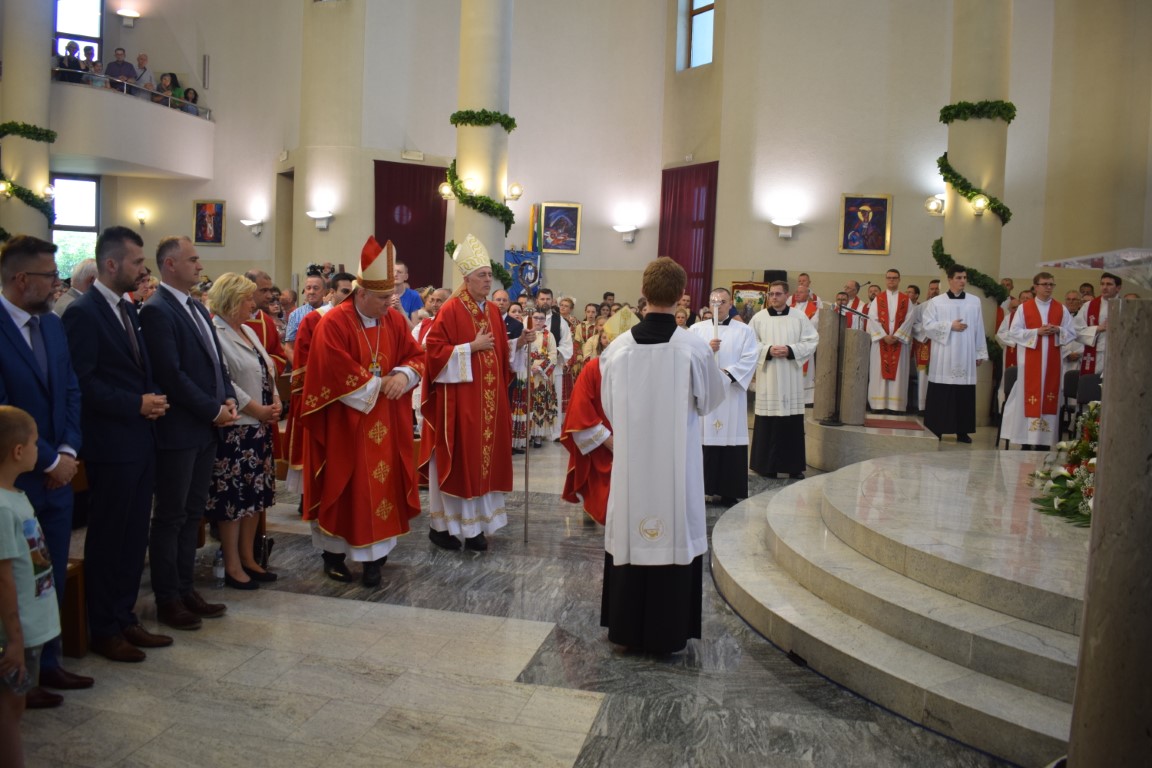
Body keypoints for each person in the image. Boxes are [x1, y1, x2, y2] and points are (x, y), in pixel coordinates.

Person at [598, 257, 726, 654]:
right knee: (674, 527)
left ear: (644, 292)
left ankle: (627, 628)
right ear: (682, 295)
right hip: (677, 467)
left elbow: (608, 407)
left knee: (630, 526)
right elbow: (711, 401)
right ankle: (668, 632)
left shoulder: (617, 349)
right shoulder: (693, 348)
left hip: (632, 466)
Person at [61, 226, 172, 663]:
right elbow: (82, 382)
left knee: (133, 535)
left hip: (140, 438)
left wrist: (153, 397)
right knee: (109, 536)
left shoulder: (127, 308)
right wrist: (135, 403)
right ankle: (103, 628)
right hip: (110, 443)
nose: (143, 270)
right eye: (137, 262)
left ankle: (125, 617)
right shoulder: (83, 313)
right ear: (111, 264)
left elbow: (138, 368)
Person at [301, 238, 425, 586]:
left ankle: (375, 560)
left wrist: (403, 375)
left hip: (387, 422)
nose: (390, 303)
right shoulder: (335, 323)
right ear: (362, 293)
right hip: (346, 424)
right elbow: (332, 368)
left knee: (383, 487)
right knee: (346, 486)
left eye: (391, 296)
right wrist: (378, 385)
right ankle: (333, 556)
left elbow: (416, 355)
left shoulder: (393, 320)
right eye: (384, 298)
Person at [0, 236, 90, 708]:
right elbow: (3, 410)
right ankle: (20, 673)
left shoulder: (52, 325)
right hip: (15, 478)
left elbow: (71, 388)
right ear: (21, 279)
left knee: (48, 571)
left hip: (58, 474)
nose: (57, 283)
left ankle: (49, 661)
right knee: (16, 577)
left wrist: (68, 450)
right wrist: (51, 459)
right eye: (49, 276)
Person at [139, 236, 237, 631]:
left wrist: (228, 397)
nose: (200, 266)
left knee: (193, 512)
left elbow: (215, 362)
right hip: (179, 430)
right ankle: (168, 597)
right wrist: (213, 409)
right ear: (169, 265)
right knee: (171, 515)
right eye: (192, 259)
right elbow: (171, 375)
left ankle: (186, 588)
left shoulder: (195, 306)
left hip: (204, 429)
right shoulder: (157, 310)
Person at [420, 235, 535, 552]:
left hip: (490, 403)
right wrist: (470, 347)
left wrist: (519, 343)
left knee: (485, 463)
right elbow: (433, 353)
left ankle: (477, 527)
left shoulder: (494, 312)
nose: (487, 280)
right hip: (461, 403)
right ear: (466, 278)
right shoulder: (451, 310)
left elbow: (499, 353)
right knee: (463, 462)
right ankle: (443, 527)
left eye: (489, 275)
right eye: (482, 275)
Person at [206, 274, 281, 589]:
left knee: (254, 497)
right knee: (233, 500)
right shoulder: (215, 332)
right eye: (248, 298)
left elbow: (266, 369)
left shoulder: (248, 330)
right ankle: (233, 565)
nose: (254, 304)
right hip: (236, 428)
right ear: (231, 300)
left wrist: (275, 400)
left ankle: (249, 558)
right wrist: (256, 408)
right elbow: (225, 381)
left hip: (259, 428)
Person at [0, 406, 63, 763]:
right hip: (16, 635)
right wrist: (13, 641)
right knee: (8, 711)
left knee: (16, 705)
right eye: (37, 443)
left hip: (29, 628)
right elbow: (3, 579)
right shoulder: (2, 508)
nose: (40, 449)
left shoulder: (15, 496)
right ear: (18, 451)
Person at [560, 307, 639, 524]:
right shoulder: (593, 368)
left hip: (635, 441)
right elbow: (580, 409)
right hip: (602, 442)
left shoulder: (643, 368)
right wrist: (606, 439)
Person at [284, 272, 355, 494]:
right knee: (315, 447)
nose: (350, 297)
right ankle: (309, 496)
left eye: (353, 293)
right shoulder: (314, 319)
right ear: (331, 292)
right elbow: (302, 359)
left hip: (350, 395)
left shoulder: (356, 319)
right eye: (345, 292)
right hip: (320, 396)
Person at [690, 288, 759, 503]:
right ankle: (703, 490)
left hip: (731, 394)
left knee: (731, 437)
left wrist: (725, 375)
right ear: (708, 304)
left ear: (730, 304)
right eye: (714, 301)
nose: (717, 306)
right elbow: (687, 357)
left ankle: (729, 491)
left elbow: (750, 358)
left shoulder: (744, 331)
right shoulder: (696, 330)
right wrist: (706, 350)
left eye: (722, 301)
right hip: (706, 394)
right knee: (703, 438)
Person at [749, 281, 819, 479]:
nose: (774, 297)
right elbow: (748, 342)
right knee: (768, 420)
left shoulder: (799, 317)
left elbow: (812, 340)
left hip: (790, 377)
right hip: (768, 376)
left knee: (791, 421)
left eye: (778, 294)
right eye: (771, 294)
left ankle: (793, 466)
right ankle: (766, 466)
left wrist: (790, 350)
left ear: (787, 296)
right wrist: (767, 350)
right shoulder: (759, 318)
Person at [1001, 272, 1077, 451]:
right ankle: (1026, 441)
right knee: (1029, 397)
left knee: (1049, 397)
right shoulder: (1024, 308)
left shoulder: (1061, 309)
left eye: (1051, 284)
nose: (1048, 287)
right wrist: (1037, 332)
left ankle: (1045, 441)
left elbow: (1071, 332)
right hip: (1029, 364)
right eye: (1045, 284)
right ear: (1035, 287)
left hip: (1052, 363)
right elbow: (1014, 332)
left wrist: (1058, 330)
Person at [920, 265, 988, 443]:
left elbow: (979, 327)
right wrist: (950, 325)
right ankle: (937, 429)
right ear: (949, 279)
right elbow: (927, 326)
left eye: (964, 278)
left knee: (964, 392)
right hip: (944, 354)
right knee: (942, 391)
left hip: (966, 354)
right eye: (958, 278)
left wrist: (979, 352)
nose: (962, 281)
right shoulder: (937, 302)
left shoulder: (974, 301)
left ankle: (962, 431)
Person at [866, 269, 914, 413]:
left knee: (899, 373)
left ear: (899, 280)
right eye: (889, 278)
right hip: (881, 342)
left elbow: (909, 319)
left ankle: (896, 406)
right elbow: (872, 318)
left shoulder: (906, 299)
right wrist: (884, 336)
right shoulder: (878, 299)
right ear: (885, 279)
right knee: (878, 373)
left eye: (894, 278)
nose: (891, 280)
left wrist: (898, 336)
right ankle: (878, 404)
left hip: (899, 343)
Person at [411, 287, 450, 434]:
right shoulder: (423, 324)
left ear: (449, 302)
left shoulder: (454, 324)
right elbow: (411, 349)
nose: (434, 304)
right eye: (432, 300)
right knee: (422, 419)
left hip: (444, 380)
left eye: (439, 301)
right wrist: (424, 347)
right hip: (423, 378)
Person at [534, 289, 572, 440]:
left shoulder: (560, 321)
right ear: (537, 300)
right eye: (542, 299)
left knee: (553, 399)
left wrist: (550, 357)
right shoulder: (529, 319)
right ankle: (534, 432)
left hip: (553, 368)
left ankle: (553, 432)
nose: (545, 301)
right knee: (534, 399)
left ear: (552, 301)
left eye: (548, 299)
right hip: (533, 369)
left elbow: (567, 344)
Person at [1074, 272, 1121, 376]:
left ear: (1118, 288)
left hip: (1119, 355)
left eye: (1109, 284)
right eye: (1102, 284)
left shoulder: (1126, 306)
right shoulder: (1088, 306)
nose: (1104, 287)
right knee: (1093, 384)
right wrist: (1098, 328)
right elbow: (1075, 330)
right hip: (1096, 356)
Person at [528, 310, 559, 449]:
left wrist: (540, 368)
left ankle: (538, 435)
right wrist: (528, 368)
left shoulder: (549, 335)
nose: (538, 321)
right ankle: (526, 434)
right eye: (536, 318)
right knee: (527, 403)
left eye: (541, 318)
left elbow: (553, 355)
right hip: (527, 373)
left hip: (541, 375)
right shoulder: (526, 333)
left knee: (539, 403)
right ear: (531, 318)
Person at [788, 282, 820, 405]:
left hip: (805, 344)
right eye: (796, 292)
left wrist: (797, 331)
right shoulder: (789, 308)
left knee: (807, 372)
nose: (797, 294)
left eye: (801, 292)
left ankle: (807, 399)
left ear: (808, 294)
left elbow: (814, 324)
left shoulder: (814, 309)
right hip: (791, 344)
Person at [284, 272, 325, 354]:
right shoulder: (295, 315)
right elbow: (289, 348)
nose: (311, 291)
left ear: (324, 291)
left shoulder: (331, 311)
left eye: (316, 288)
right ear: (305, 291)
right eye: (308, 288)